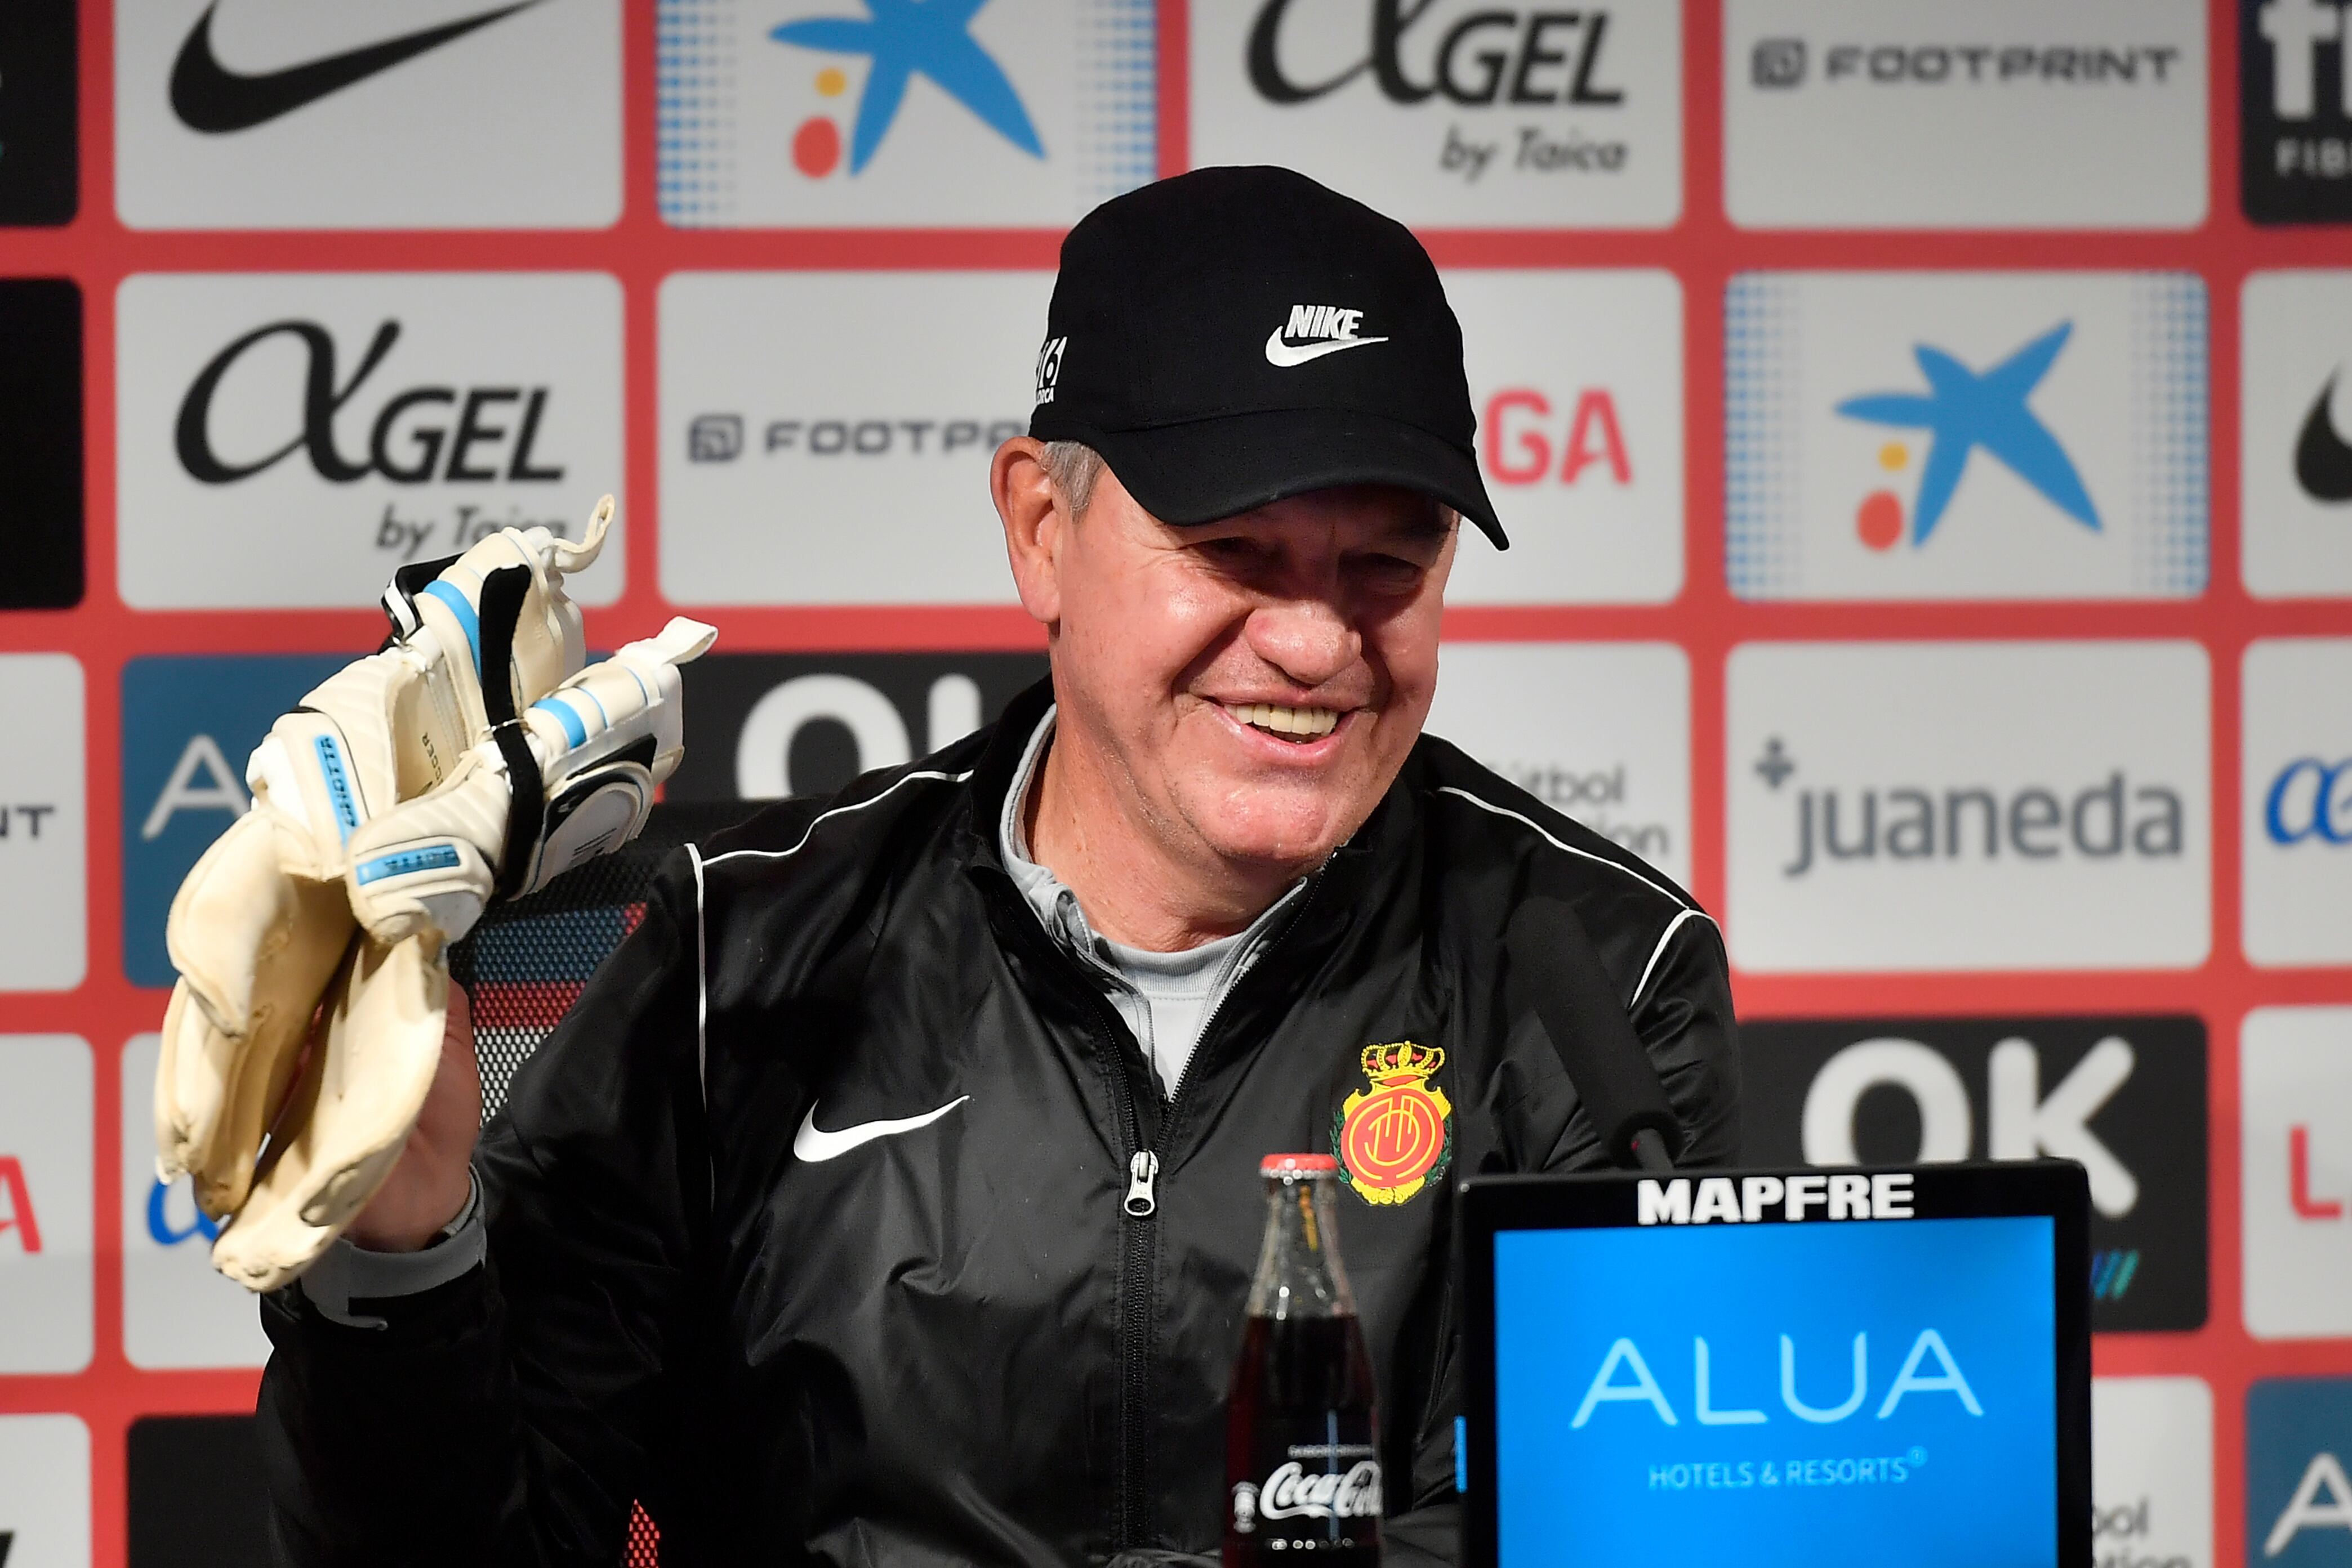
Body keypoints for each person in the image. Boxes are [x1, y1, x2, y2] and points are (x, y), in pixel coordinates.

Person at [256, 165, 1738, 1567]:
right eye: (1235, 551)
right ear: (1040, 528)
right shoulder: (734, 952)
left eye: (1388, 565)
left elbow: (1622, 1531)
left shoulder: (1600, 982)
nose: (1313, 641)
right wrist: (401, 1253)